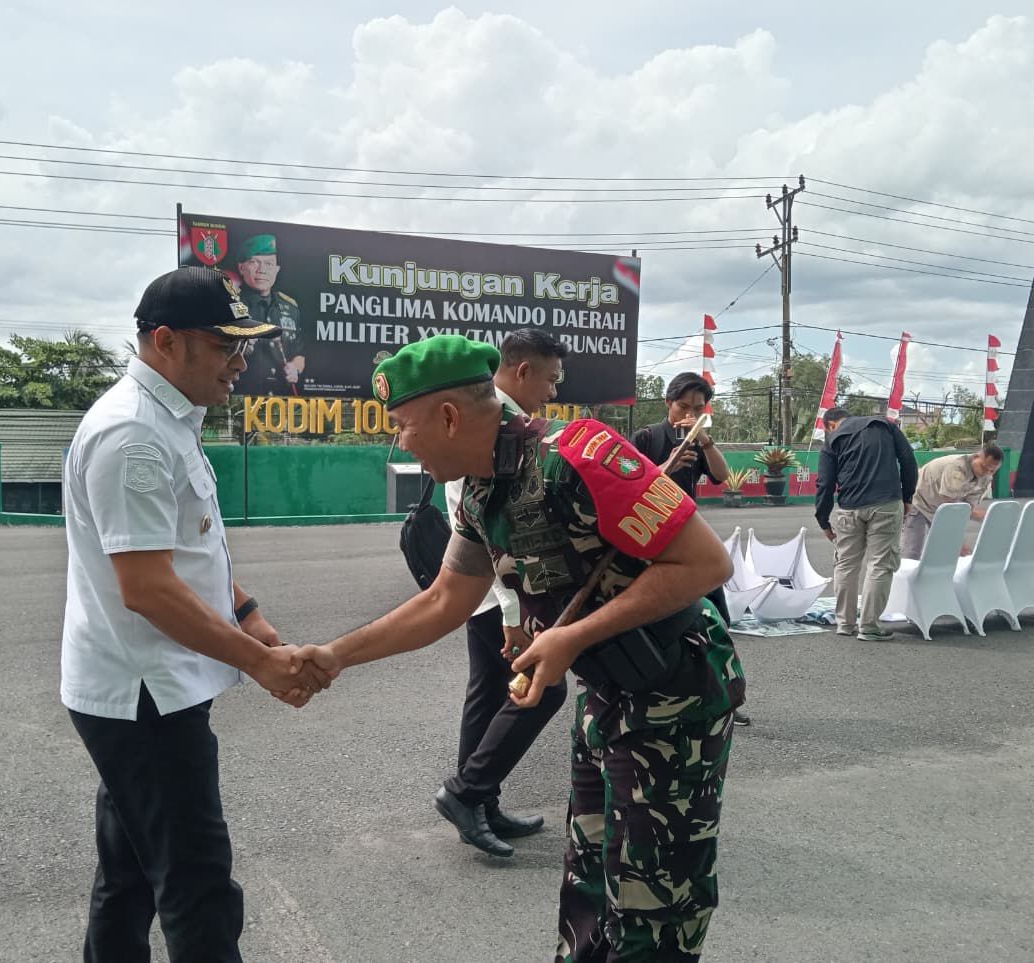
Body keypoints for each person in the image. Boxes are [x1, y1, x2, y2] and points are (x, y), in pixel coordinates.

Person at [295, 334, 745, 961]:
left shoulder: (582, 455)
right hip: (607, 693)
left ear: (448, 417)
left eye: (403, 426)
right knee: (590, 878)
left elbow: (705, 563)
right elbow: (444, 600)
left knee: (654, 900)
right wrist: (336, 655)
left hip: (677, 694)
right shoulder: (481, 491)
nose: (401, 443)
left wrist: (572, 635)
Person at [61, 266, 331, 963]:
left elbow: (187, 547)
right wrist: (262, 662)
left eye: (247, 346)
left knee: (129, 877)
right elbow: (149, 588)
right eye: (225, 345)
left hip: (143, 687)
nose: (241, 362)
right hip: (144, 695)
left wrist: (247, 612)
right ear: (165, 341)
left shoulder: (167, 418)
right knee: (198, 886)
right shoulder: (133, 435)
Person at [438, 328, 569, 858]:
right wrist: (514, 614)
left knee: (490, 692)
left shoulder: (501, 419)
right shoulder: (492, 425)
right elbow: (492, 530)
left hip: (489, 592)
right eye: (550, 380)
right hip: (499, 592)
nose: (553, 392)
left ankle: (479, 800)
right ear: (522, 370)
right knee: (544, 688)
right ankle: (469, 793)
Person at [631, 371, 751, 726]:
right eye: (683, 406)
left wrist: (706, 442)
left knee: (716, 620)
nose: (690, 414)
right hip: (652, 542)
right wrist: (665, 468)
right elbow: (627, 487)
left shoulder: (698, 441)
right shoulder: (646, 437)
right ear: (668, 403)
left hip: (690, 538)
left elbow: (722, 477)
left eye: (698, 409)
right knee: (661, 623)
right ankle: (661, 701)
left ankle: (724, 698)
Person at [815, 406, 919, 641]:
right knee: (880, 564)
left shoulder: (832, 439)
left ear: (830, 425)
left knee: (846, 564)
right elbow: (908, 460)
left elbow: (825, 483)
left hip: (849, 508)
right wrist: (907, 497)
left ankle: (845, 623)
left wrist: (823, 520)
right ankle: (870, 626)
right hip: (886, 504)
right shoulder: (885, 426)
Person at [227, 234, 306, 395]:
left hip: (281, 401)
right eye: (254, 262)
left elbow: (300, 354)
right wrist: (238, 350)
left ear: (277, 269)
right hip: (240, 400)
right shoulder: (229, 304)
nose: (262, 270)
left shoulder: (291, 308)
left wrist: (295, 368)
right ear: (241, 268)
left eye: (269, 264)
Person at [902, 443, 1003, 560]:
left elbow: (967, 507)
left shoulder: (986, 478)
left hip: (940, 505)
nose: (987, 472)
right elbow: (950, 505)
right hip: (920, 500)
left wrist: (985, 517)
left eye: (992, 471)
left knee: (949, 552)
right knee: (912, 551)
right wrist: (957, 541)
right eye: (984, 467)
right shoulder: (957, 467)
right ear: (976, 457)